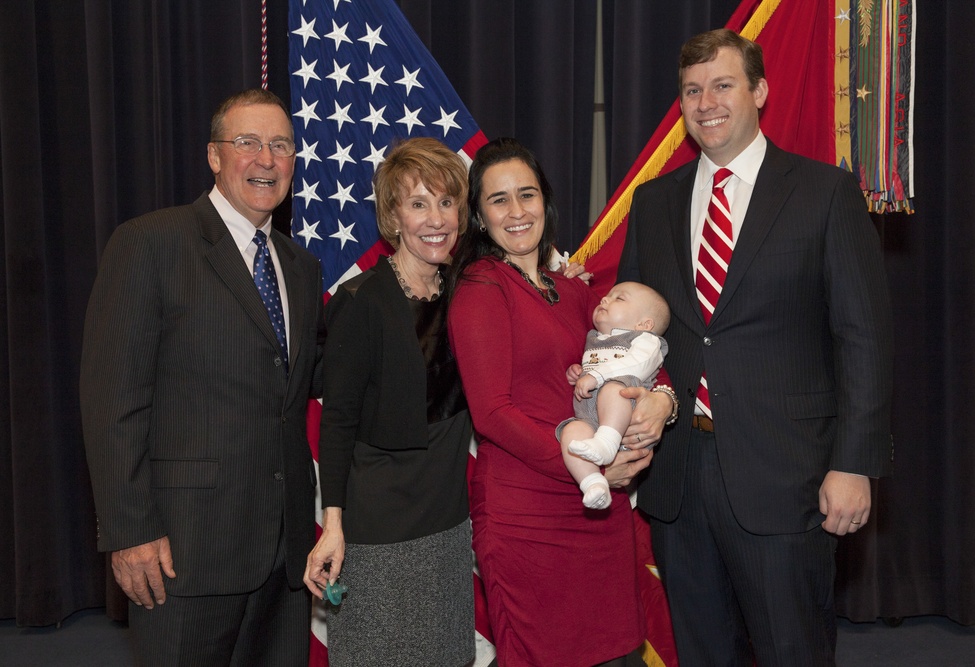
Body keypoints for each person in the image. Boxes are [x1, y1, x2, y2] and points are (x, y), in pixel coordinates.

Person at [619, 29, 894, 665]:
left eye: (722, 85)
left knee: (791, 651)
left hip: (788, 480)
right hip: (679, 481)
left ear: (759, 91)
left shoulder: (824, 193)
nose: (706, 101)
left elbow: (864, 338)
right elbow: (638, 337)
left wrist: (854, 465)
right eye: (692, 90)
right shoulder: (653, 203)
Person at [80, 88, 324, 665]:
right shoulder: (149, 244)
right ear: (214, 156)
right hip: (184, 552)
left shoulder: (301, 267)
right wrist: (129, 529)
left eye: (281, 145)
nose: (267, 159)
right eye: (248, 143)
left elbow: (302, 392)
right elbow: (113, 398)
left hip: (283, 558)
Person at [448, 137, 677, 666]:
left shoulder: (572, 289)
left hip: (599, 518)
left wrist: (663, 400)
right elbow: (493, 415)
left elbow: (636, 354)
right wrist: (594, 466)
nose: (516, 211)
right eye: (498, 199)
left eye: (526, 195)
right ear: (479, 217)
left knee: (618, 655)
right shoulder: (482, 286)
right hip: (528, 521)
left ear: (545, 203)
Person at [303, 137, 475, 666]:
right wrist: (334, 525)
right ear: (393, 215)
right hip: (381, 531)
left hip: (448, 522)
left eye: (446, 202)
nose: (435, 218)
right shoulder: (361, 302)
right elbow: (337, 424)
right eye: (418, 203)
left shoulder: (469, 291)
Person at [558, 282, 672, 510]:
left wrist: (598, 376)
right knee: (571, 432)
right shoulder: (595, 339)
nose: (605, 300)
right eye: (607, 295)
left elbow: (637, 364)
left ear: (644, 324)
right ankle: (592, 483)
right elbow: (593, 368)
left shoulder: (644, 340)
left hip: (624, 418)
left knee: (614, 389)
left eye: (619, 298)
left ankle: (607, 442)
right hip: (590, 417)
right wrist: (579, 373)